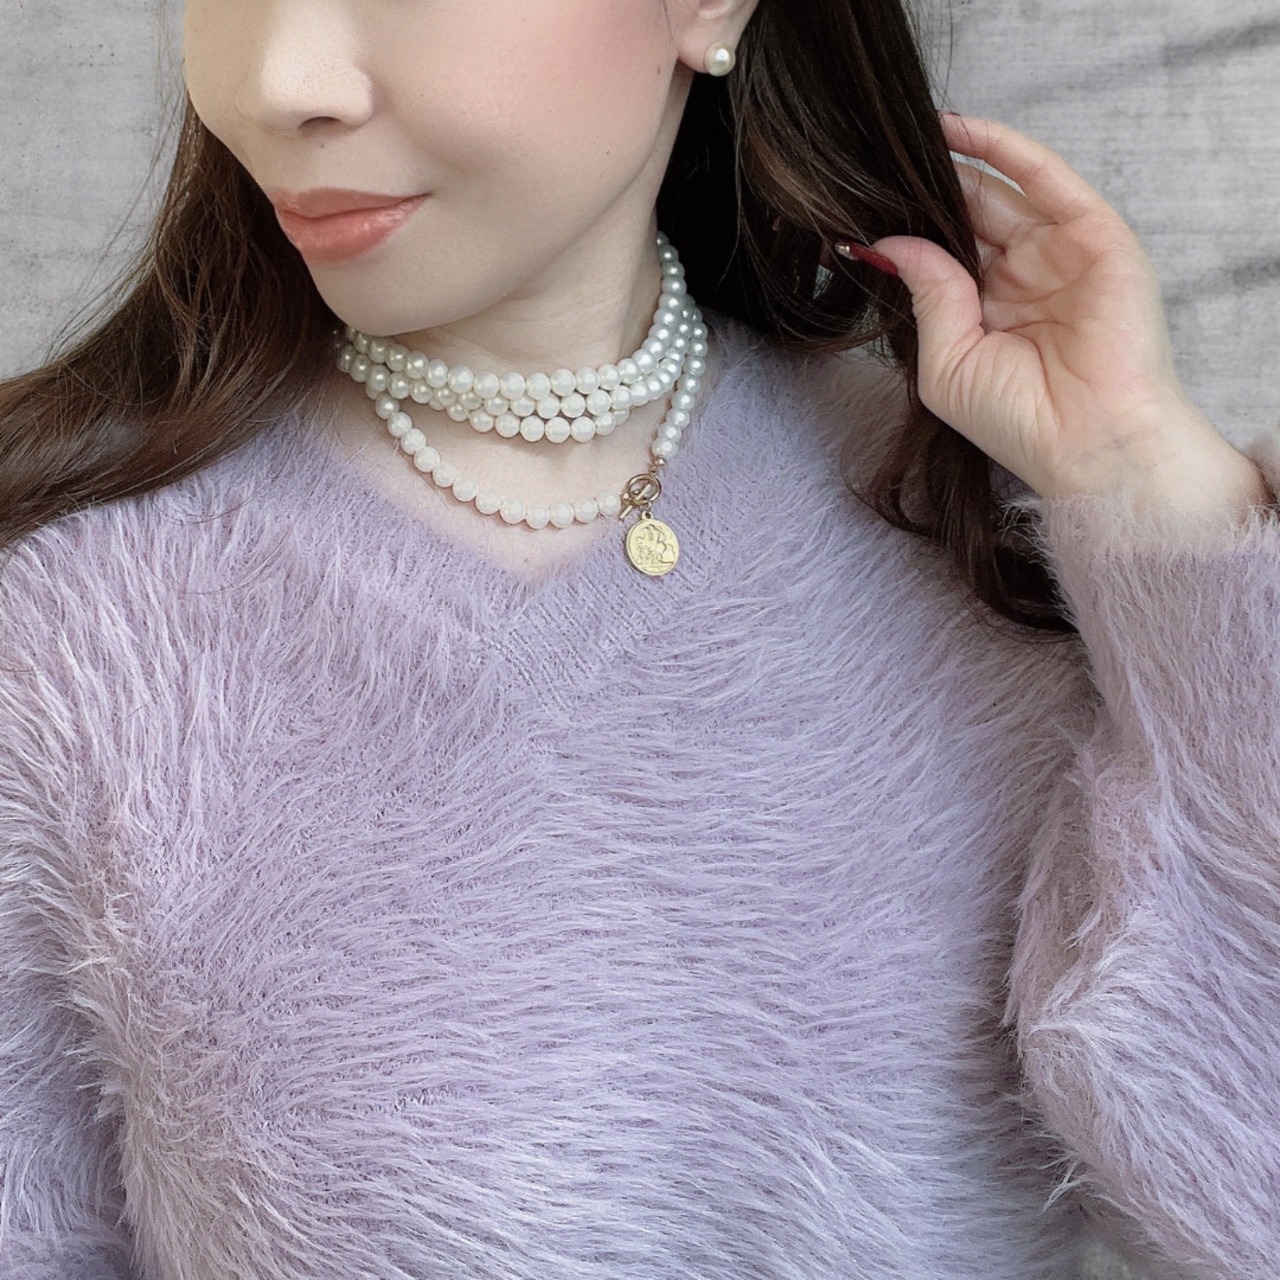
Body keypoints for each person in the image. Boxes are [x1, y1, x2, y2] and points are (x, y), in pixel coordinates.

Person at [1, 0, 1277, 1277]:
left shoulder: (987, 535)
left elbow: (1239, 1194)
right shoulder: (70, 620)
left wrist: (1149, 489)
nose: (280, 83)